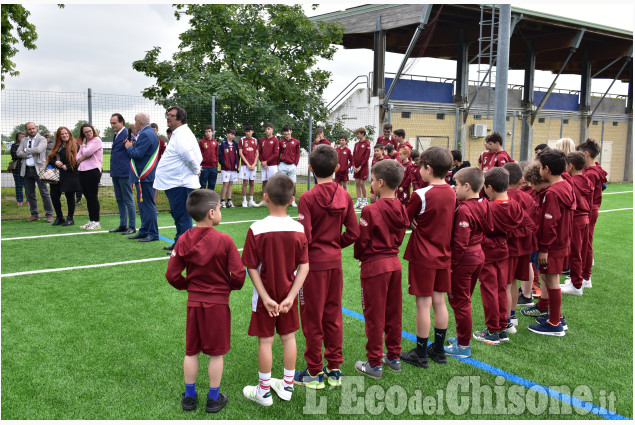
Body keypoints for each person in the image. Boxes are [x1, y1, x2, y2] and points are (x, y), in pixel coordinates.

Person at [166, 189, 246, 413]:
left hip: (194, 303)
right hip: (217, 305)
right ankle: (213, 397)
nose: (221, 212)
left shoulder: (183, 239)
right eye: (220, 209)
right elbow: (239, 275)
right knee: (215, 353)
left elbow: (171, 275)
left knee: (191, 351)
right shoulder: (225, 240)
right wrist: (229, 288)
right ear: (211, 213)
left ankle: (189, 396)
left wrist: (189, 287)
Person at [241, 174, 309, 406]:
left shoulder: (256, 228)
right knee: (289, 338)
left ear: (266, 197)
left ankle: (264, 392)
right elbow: (304, 267)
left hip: (265, 296)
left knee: (265, 341)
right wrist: (290, 297)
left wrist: (265, 297)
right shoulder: (299, 229)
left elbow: (251, 267)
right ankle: (287, 387)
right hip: (288, 293)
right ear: (292, 200)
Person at [295, 145, 360, 388]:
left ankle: (313, 372)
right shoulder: (344, 195)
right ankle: (334, 369)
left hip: (313, 266)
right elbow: (354, 232)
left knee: (312, 318)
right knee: (333, 316)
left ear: (310, 169)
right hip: (334, 264)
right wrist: (334, 245)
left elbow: (306, 237)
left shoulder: (308, 198)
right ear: (337, 168)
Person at [353, 160, 409, 378]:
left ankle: (374, 363)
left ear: (381, 182)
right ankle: (394, 357)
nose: (371, 183)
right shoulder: (401, 207)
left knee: (374, 315)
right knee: (393, 313)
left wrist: (362, 257)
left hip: (375, 266)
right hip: (394, 264)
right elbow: (400, 237)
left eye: (373, 180)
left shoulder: (370, 209)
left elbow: (362, 241)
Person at [400, 147, 455, 368]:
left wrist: (411, 220)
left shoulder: (421, 194)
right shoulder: (452, 192)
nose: (419, 171)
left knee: (423, 304)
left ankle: (421, 353)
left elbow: (404, 218)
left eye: (421, 167)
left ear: (428, 168)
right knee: (440, 301)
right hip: (443, 254)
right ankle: (439, 351)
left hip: (423, 255)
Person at [474, 167, 531, 345]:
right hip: (504, 253)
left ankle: (492, 331)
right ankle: (501, 328)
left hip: (490, 255)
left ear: (489, 187)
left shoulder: (487, 207)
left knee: (490, 290)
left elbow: (477, 233)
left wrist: (496, 240)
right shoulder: (514, 205)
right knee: (500, 289)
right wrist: (507, 236)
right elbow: (528, 226)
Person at [525, 149, 575, 337]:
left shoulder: (552, 193)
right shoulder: (565, 185)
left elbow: (550, 223)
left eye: (540, 168)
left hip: (553, 245)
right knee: (548, 279)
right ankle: (557, 316)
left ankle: (555, 324)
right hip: (561, 243)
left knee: (552, 281)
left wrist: (544, 248)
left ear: (546, 169)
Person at [444, 167, 490, 358]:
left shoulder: (464, 209)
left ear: (467, 186)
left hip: (465, 259)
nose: (454, 188)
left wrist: (451, 265)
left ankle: (463, 346)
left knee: (460, 302)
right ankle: (462, 337)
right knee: (465, 300)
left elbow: (461, 243)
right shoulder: (484, 202)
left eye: (456, 184)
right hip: (478, 255)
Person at [154, 106, 202, 254]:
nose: (168, 117)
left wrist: (196, 170)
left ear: (180, 119)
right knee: (178, 214)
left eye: (171, 115)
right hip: (175, 182)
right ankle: (179, 241)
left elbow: (187, 155)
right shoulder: (178, 133)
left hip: (180, 182)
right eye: (167, 115)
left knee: (182, 215)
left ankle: (185, 247)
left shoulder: (181, 134)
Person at [503, 162, 537, 332]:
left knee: (506, 284)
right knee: (514, 282)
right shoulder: (528, 197)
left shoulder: (504, 197)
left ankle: (507, 321)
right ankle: (512, 315)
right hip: (524, 246)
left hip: (509, 246)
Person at [560, 151, 594, 296]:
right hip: (586, 217)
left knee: (575, 252)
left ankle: (576, 284)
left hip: (576, 219)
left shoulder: (571, 181)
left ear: (571, 166)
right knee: (584, 250)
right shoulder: (587, 180)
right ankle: (583, 278)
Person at [577, 138, 607, 288]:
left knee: (586, 245)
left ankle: (586, 277)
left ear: (586, 154)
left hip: (589, 211)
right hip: (590, 210)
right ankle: (583, 275)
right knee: (585, 243)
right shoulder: (594, 170)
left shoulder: (591, 174)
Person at [126, 113, 160, 242]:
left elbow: (138, 154)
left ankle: (152, 233)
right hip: (144, 176)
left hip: (145, 175)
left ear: (139, 121)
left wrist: (129, 148)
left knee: (148, 204)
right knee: (143, 204)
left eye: (135, 120)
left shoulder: (146, 134)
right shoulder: (149, 133)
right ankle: (144, 230)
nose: (135, 123)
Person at [16, 122, 55, 222]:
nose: (32, 130)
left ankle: (49, 214)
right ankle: (34, 214)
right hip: (27, 170)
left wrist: (25, 150)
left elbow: (39, 149)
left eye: (33, 128)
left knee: (44, 193)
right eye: (29, 129)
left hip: (40, 169)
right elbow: (18, 152)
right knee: (30, 194)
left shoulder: (42, 139)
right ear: (26, 130)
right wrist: (28, 154)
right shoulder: (24, 140)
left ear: (36, 128)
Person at [46, 127, 81, 226]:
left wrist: (68, 166)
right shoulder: (57, 145)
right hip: (56, 175)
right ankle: (59, 217)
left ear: (69, 134)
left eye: (66, 133)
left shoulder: (76, 145)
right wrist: (55, 162)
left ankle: (70, 218)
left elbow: (79, 161)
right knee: (54, 196)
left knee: (70, 196)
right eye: (62, 134)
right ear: (59, 136)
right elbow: (50, 159)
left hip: (70, 175)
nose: (64, 135)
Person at [108, 113, 136, 235]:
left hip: (124, 172)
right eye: (111, 123)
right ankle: (123, 224)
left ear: (122, 122)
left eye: (114, 123)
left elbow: (134, 143)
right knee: (120, 199)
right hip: (116, 172)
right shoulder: (117, 135)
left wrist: (132, 143)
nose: (112, 125)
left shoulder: (127, 134)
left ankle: (132, 226)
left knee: (128, 199)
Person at [76, 123, 103, 230]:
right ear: (83, 133)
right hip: (82, 171)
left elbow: (87, 152)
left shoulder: (97, 140)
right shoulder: (86, 142)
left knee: (93, 196)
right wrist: (84, 153)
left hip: (93, 170)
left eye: (90, 131)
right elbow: (77, 158)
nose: (88, 133)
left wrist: (83, 147)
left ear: (93, 130)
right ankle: (91, 220)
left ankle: (96, 221)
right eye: (86, 132)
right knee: (87, 196)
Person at [278, 124, 301, 207]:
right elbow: (278, 153)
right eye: (285, 131)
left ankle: (292, 200)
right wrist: (278, 164)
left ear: (291, 131)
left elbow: (298, 153)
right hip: (282, 165)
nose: (286, 133)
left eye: (288, 131)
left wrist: (295, 164)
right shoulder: (281, 142)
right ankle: (283, 201)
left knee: (293, 184)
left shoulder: (296, 142)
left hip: (292, 165)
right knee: (282, 184)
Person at [258, 123, 279, 206]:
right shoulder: (262, 140)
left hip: (272, 166)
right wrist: (263, 162)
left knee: (273, 183)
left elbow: (276, 154)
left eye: (269, 129)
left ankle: (273, 200)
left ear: (272, 130)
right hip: (264, 165)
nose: (267, 130)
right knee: (264, 182)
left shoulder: (275, 140)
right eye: (266, 129)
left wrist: (267, 161)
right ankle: (264, 199)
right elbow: (259, 153)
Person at [238, 124, 259, 207]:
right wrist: (247, 164)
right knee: (245, 183)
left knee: (252, 183)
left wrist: (254, 164)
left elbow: (257, 153)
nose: (248, 133)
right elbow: (240, 153)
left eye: (249, 131)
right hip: (245, 165)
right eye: (246, 131)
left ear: (252, 132)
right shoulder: (242, 140)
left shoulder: (255, 140)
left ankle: (251, 200)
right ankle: (244, 201)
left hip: (253, 165)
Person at [219, 128, 239, 208]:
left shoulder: (235, 144)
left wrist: (237, 165)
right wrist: (224, 164)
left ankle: (229, 200)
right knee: (225, 184)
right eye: (231, 134)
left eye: (233, 134)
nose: (232, 136)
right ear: (227, 134)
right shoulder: (222, 144)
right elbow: (219, 156)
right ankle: (222, 200)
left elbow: (237, 156)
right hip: (225, 168)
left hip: (233, 168)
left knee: (231, 183)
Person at [352, 127, 371, 208]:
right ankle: (359, 201)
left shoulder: (367, 143)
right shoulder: (356, 144)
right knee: (357, 182)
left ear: (363, 134)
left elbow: (366, 157)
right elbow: (353, 156)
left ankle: (365, 200)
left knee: (362, 183)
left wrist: (360, 167)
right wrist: (353, 166)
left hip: (363, 167)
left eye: (358, 134)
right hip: (356, 167)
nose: (357, 135)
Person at [199, 125, 219, 191]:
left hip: (213, 167)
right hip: (204, 167)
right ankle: (202, 200)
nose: (208, 133)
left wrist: (216, 165)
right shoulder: (201, 142)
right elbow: (198, 154)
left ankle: (210, 200)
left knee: (212, 185)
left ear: (212, 132)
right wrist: (200, 166)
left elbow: (217, 154)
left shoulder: (215, 142)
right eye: (206, 131)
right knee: (203, 185)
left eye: (209, 131)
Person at [151, 122, 167, 204]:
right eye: (151, 130)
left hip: (157, 167)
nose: (153, 132)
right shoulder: (147, 140)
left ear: (157, 130)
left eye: (154, 130)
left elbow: (165, 155)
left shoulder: (161, 141)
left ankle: (154, 203)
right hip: (147, 167)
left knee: (155, 185)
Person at [9, 131, 25, 206]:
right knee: (19, 185)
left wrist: (19, 153)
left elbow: (29, 154)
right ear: (17, 138)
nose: (22, 138)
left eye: (23, 137)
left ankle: (29, 200)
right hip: (17, 168)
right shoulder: (14, 145)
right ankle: (19, 200)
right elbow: (14, 155)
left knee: (28, 185)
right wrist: (23, 154)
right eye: (20, 137)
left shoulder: (27, 145)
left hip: (27, 168)